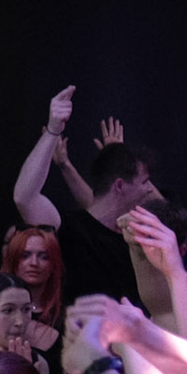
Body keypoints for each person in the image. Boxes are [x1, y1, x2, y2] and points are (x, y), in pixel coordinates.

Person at [13, 86, 158, 303]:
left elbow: (175, 221)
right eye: (144, 182)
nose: (149, 190)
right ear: (120, 186)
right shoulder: (68, 228)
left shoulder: (139, 238)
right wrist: (53, 130)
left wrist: (117, 153)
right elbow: (24, 198)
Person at [3, 225, 65, 330]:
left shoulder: (66, 316)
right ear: (13, 260)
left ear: (53, 265)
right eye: (25, 256)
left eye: (44, 257)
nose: (34, 263)